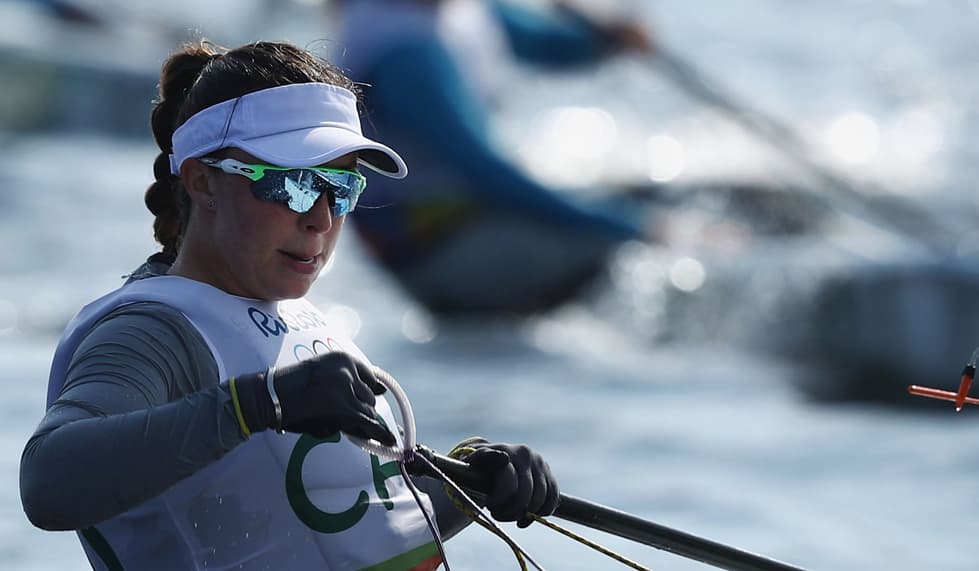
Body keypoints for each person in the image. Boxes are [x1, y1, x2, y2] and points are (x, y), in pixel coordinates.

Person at [19, 39, 559, 571]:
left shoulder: (298, 324)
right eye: (294, 185)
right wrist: (256, 405)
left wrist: (470, 486)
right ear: (203, 181)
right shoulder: (151, 333)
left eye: (341, 187)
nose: (321, 219)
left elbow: (342, 538)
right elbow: (47, 482)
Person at [331, 0, 657, 316]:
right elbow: (485, 173)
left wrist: (608, 40)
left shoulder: (459, 9)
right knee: (631, 248)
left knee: (647, 200)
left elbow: (542, 43)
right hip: (439, 253)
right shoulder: (401, 52)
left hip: (477, 215)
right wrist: (633, 229)